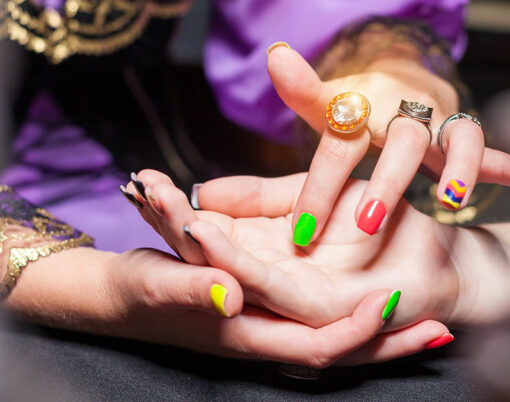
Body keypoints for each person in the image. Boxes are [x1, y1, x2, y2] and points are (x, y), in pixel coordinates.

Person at [1, 0, 510, 394]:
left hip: (200, 219)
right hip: (77, 275)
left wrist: (394, 70)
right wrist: (95, 288)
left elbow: (317, 17)